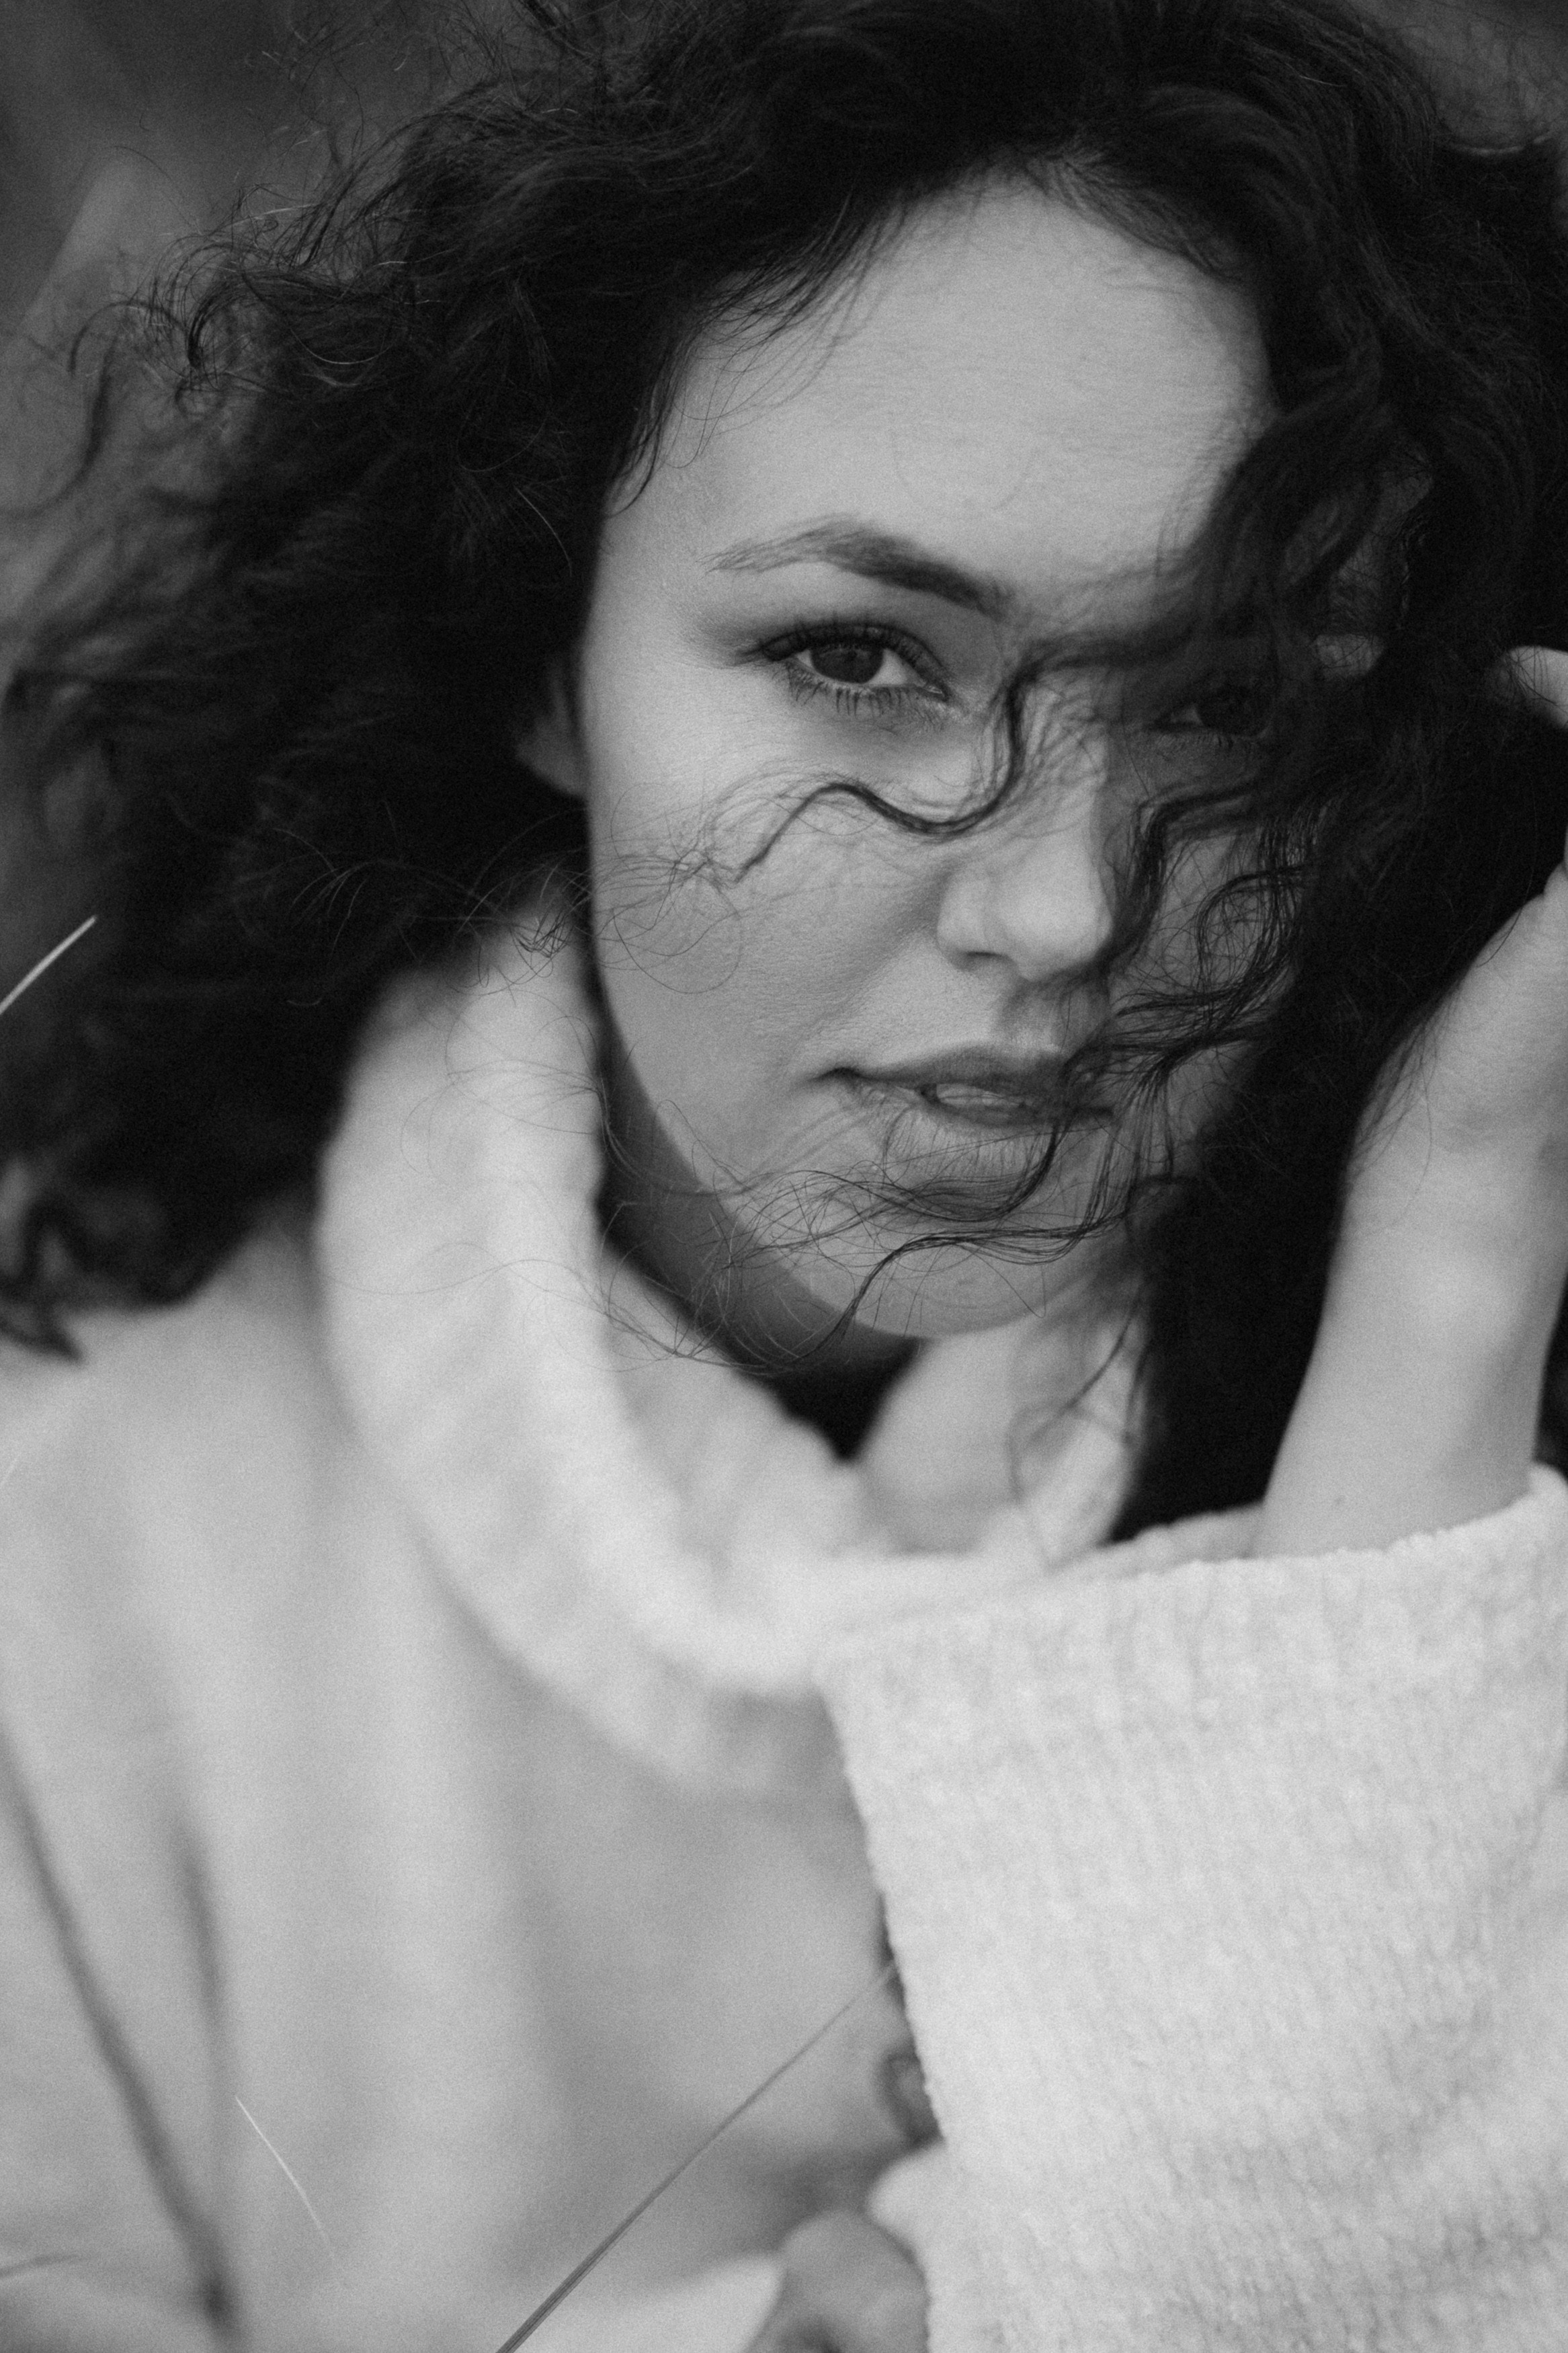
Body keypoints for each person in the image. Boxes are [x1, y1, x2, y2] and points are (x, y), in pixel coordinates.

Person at [4, 0, 1568, 2346]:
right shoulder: (70, 1495)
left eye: (1230, 706)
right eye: (858, 656)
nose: (1060, 911)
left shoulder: (1508, 1389)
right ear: (544, 649)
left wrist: (1455, 1255)